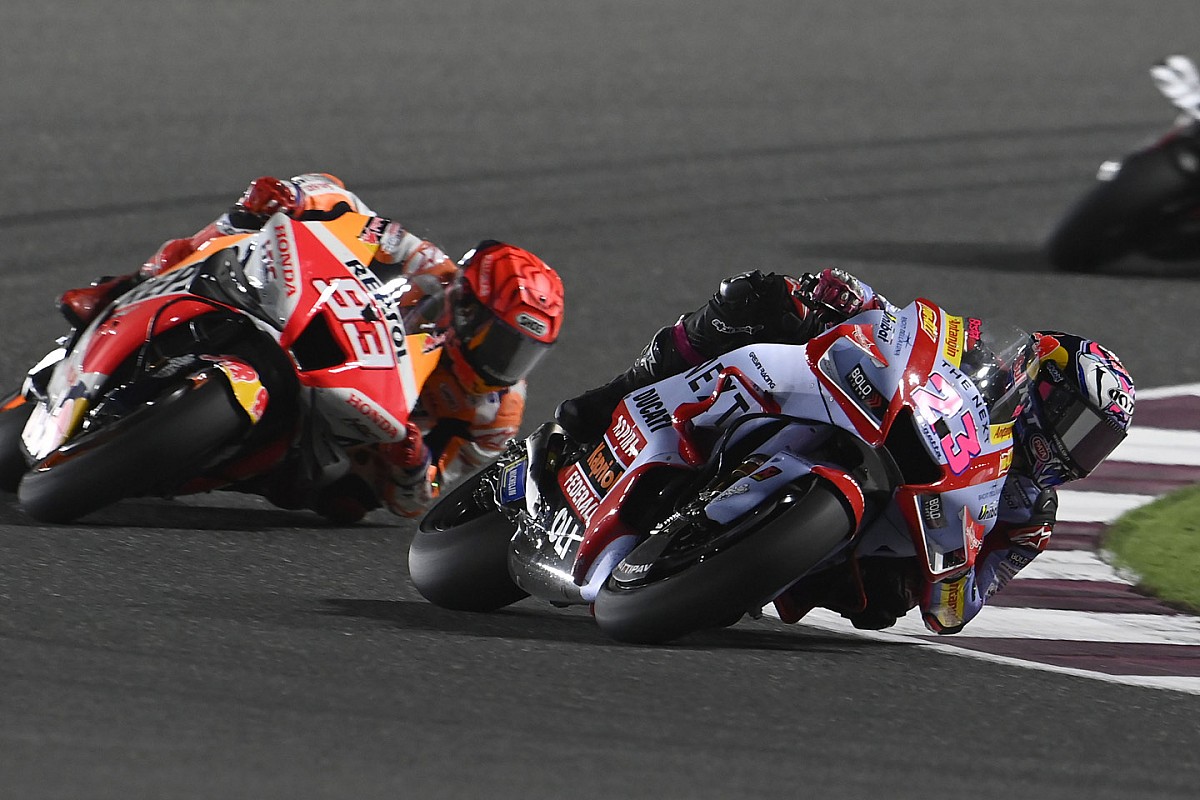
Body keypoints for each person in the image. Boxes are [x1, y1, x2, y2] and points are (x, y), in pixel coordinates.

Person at [554, 268, 1135, 635]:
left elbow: (959, 609)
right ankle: (621, 394)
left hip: (873, 541)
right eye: (1078, 426)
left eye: (1097, 444)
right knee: (760, 299)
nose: (1075, 451)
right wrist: (852, 298)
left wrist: (945, 579)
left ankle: (736, 566)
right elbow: (920, 336)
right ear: (1044, 388)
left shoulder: (1030, 518)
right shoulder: (988, 364)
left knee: (884, 604)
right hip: (881, 417)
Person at [59, 173, 566, 521]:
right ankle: (126, 286)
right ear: (469, 307)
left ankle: (188, 458)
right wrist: (296, 199)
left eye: (523, 351)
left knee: (343, 500)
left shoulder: (497, 414)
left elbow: (418, 500)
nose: (506, 363)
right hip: (317, 333)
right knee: (244, 224)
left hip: (356, 437)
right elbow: (350, 214)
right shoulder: (429, 267)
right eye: (502, 341)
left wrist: (411, 462)